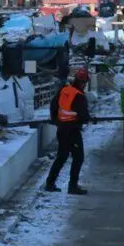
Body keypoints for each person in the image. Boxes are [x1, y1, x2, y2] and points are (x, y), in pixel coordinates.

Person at [45, 67, 91, 195]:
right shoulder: (79, 96)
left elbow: (53, 106)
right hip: (72, 131)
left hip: (62, 130)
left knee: (62, 157)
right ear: (83, 83)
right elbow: (83, 116)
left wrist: (56, 120)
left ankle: (50, 183)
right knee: (78, 157)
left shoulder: (64, 90)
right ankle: (72, 186)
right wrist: (87, 119)